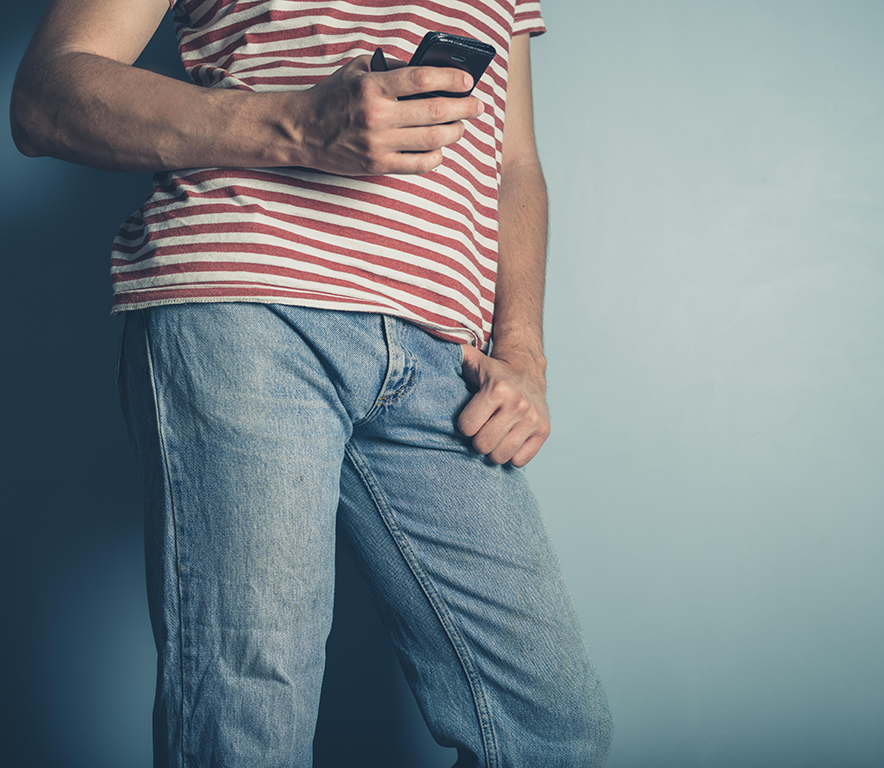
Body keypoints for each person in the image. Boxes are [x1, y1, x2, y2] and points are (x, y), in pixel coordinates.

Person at [11, 0, 612, 766]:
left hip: (441, 357)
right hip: (245, 304)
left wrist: (523, 347)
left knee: (553, 730)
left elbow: (513, 160)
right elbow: (45, 94)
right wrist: (295, 124)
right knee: (248, 729)